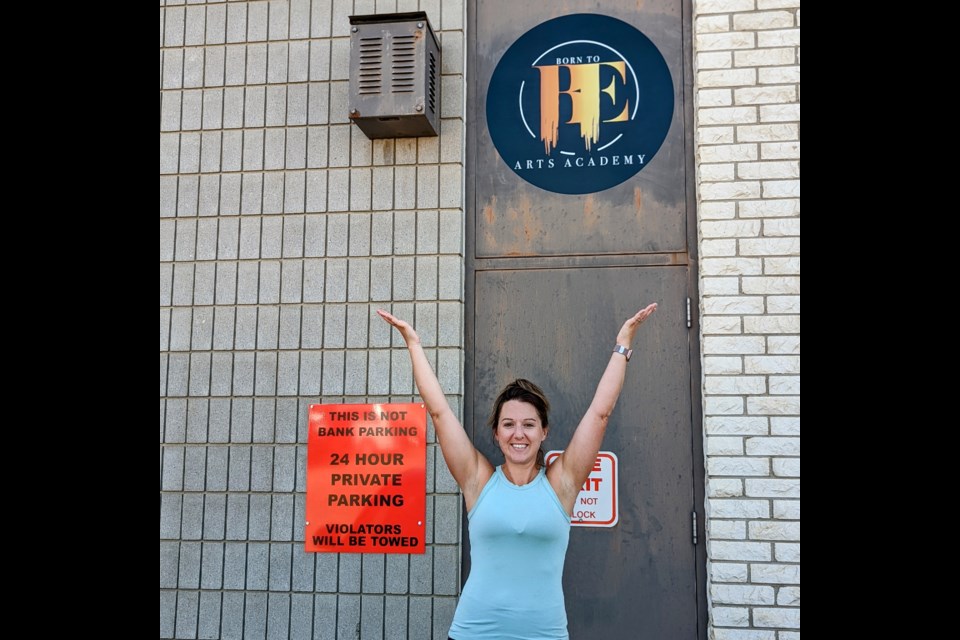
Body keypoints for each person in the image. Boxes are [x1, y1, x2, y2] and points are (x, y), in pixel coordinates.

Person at [377, 302, 658, 640]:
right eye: (508, 424)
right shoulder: (478, 480)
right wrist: (414, 345)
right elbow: (438, 412)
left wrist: (623, 344)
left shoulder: (562, 483)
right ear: (496, 433)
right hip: (473, 633)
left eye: (529, 424)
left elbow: (600, 413)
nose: (518, 434)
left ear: (544, 432)